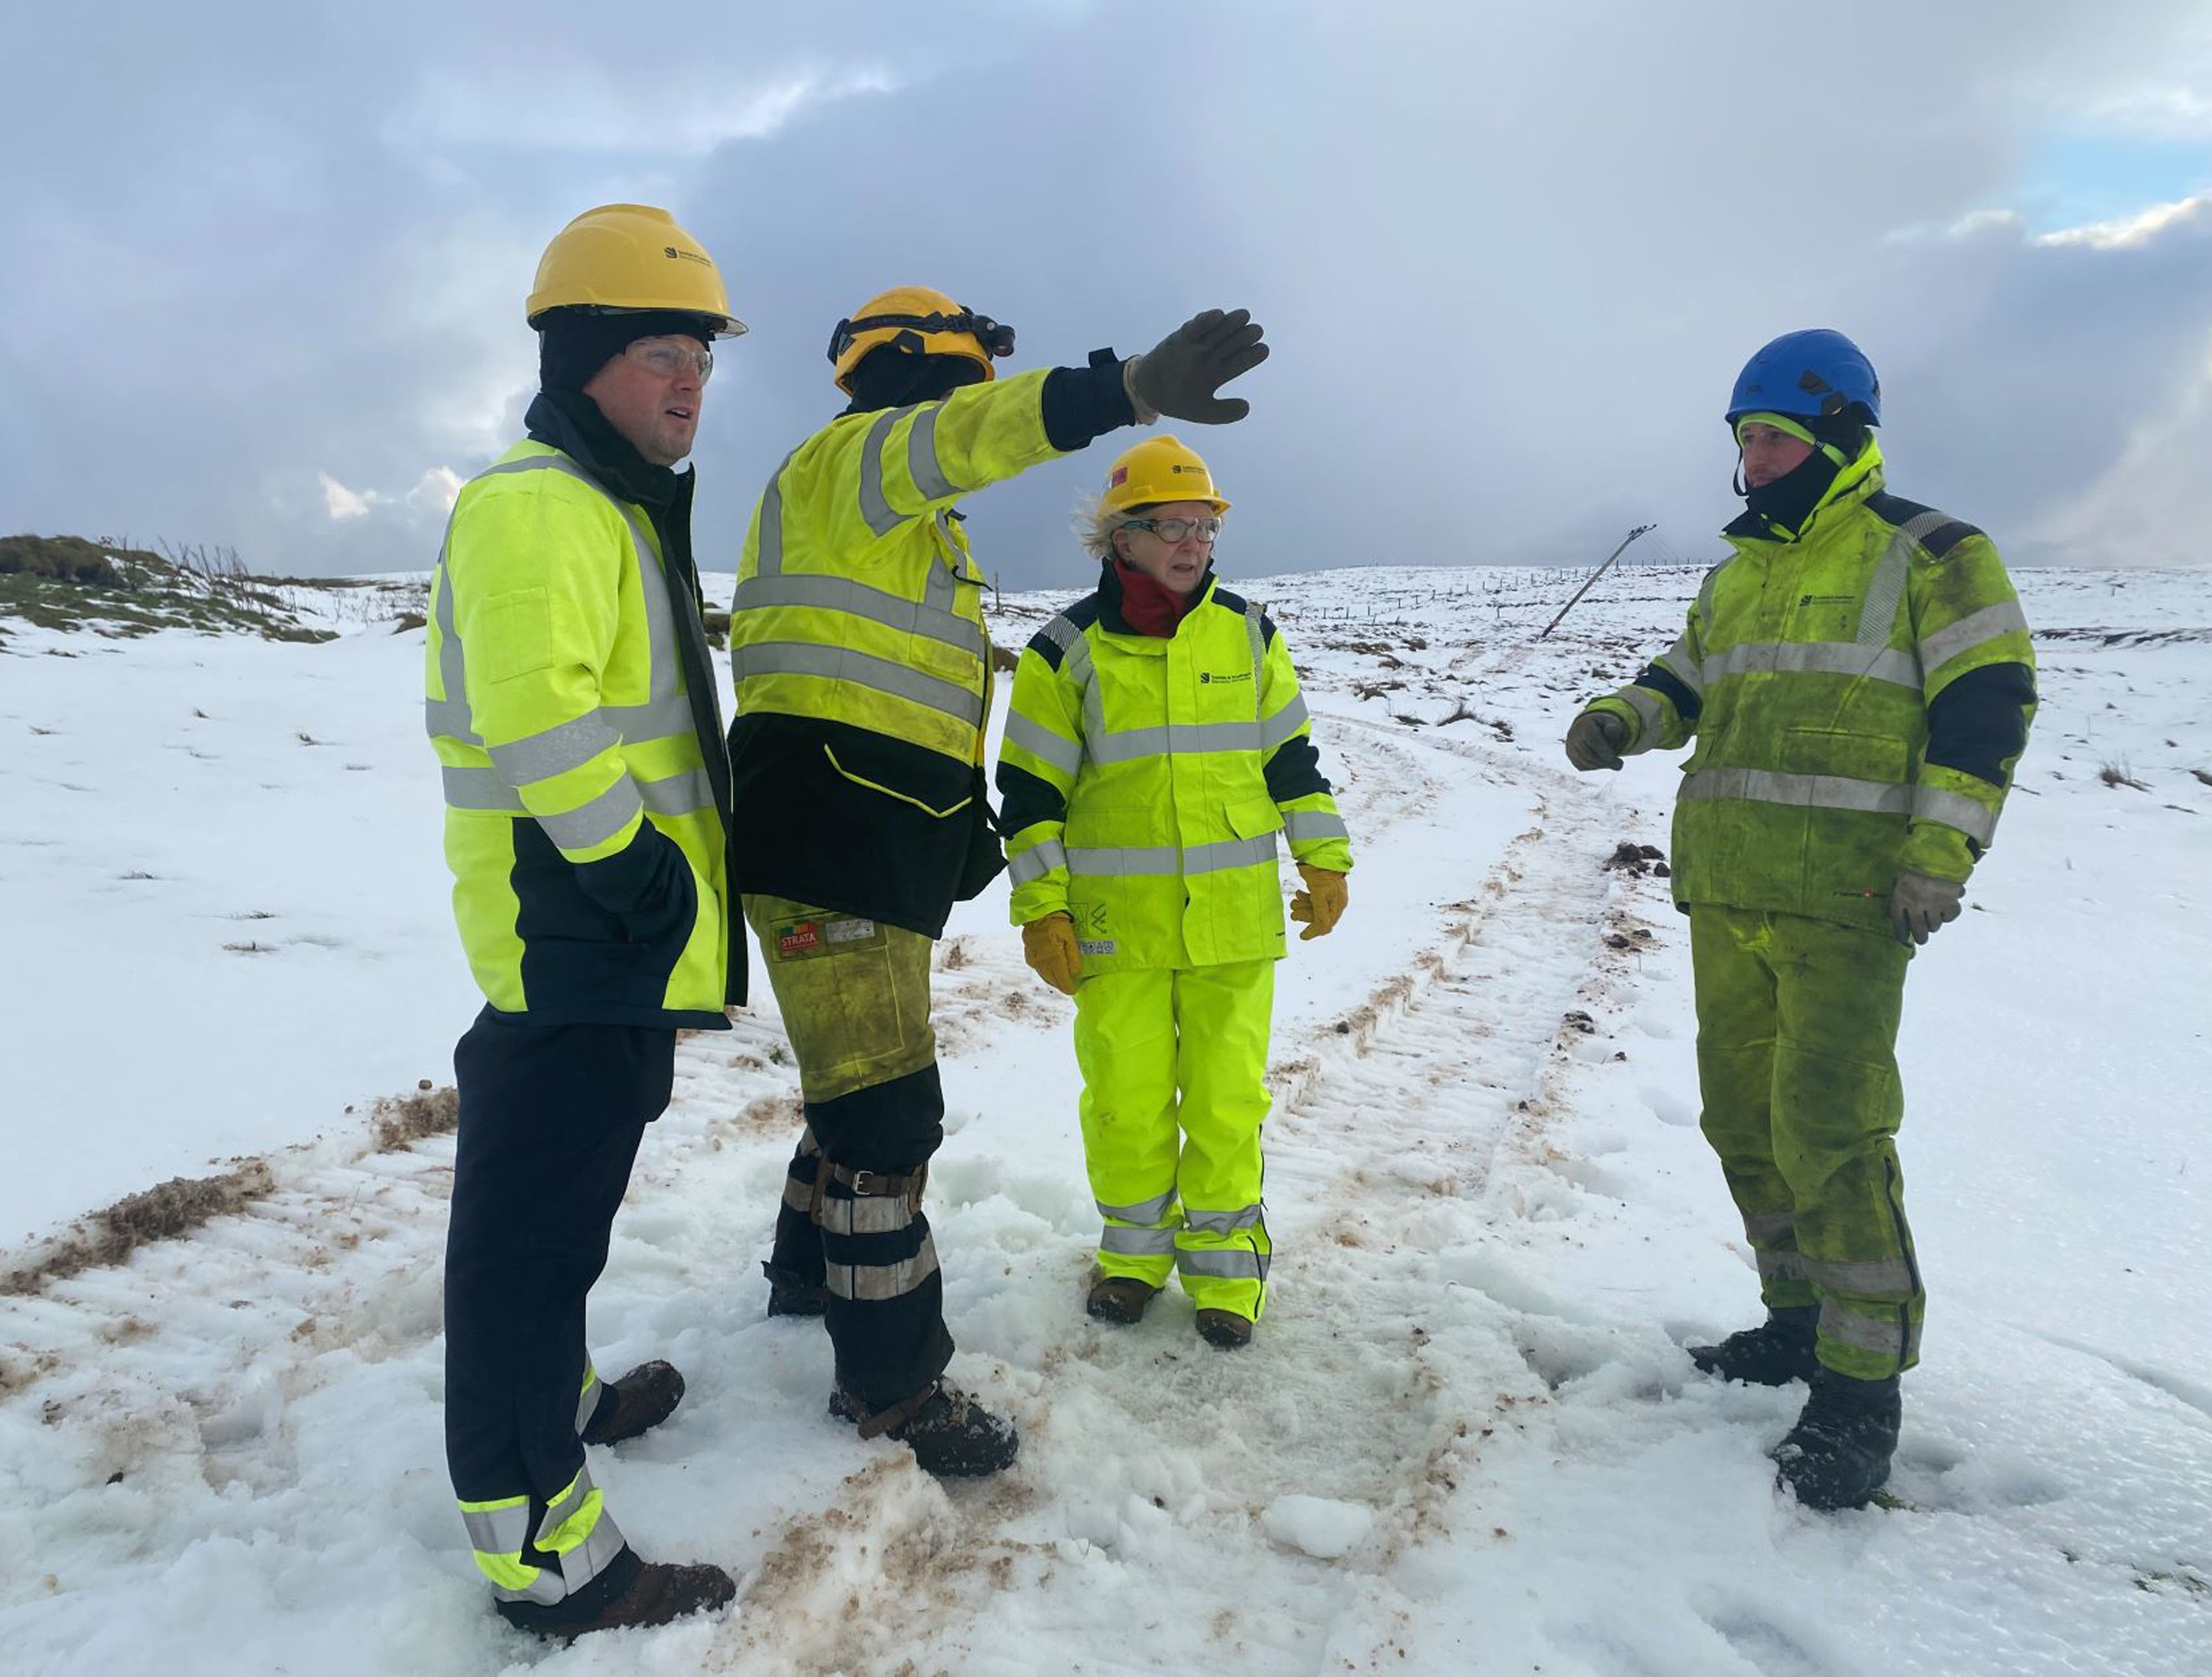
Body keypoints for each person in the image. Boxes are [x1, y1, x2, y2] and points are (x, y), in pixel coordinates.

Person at [728, 289, 1269, 1473]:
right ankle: (891, 1382)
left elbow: (894, 685)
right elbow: (960, 437)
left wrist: (957, 830)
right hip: (833, 831)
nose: (972, 412)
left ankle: (803, 1278)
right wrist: (1117, 393)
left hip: (865, 833)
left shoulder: (904, 525)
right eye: (964, 384)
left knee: (850, 1086)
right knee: (883, 1115)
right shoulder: (862, 458)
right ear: (916, 373)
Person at [1563, 328, 2036, 1509]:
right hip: (1727, 890)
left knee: (1831, 1133)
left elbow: (1985, 707)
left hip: (1847, 901)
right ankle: (1793, 1319)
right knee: (1743, 1121)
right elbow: (1688, 678)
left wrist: (1940, 851)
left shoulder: (1931, 553)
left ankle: (1858, 1389)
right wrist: (1624, 715)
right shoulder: (1737, 572)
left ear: (1834, 436)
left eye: (1769, 436)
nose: (1751, 458)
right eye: (1741, 439)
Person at [424, 203, 747, 1638]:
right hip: (573, 945)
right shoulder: (540, 504)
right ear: (579, 358)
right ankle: (548, 1562)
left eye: (699, 361)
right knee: (523, 1256)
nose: (686, 383)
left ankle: (570, 1398)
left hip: (615, 952)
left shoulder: (614, 508)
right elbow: (538, 715)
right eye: (656, 355)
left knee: (566, 1230)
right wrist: (639, 876)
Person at [996, 435, 1353, 1349]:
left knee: (1227, 1098)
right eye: (1171, 527)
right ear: (1121, 539)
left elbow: (1292, 760)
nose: (1193, 543)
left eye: (1205, 526)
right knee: (1125, 1098)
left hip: (1233, 922)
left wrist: (1324, 858)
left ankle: (1228, 1274)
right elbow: (1031, 794)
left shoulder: (1248, 632)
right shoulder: (1063, 650)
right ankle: (1133, 1259)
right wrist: (1043, 908)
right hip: (1119, 927)